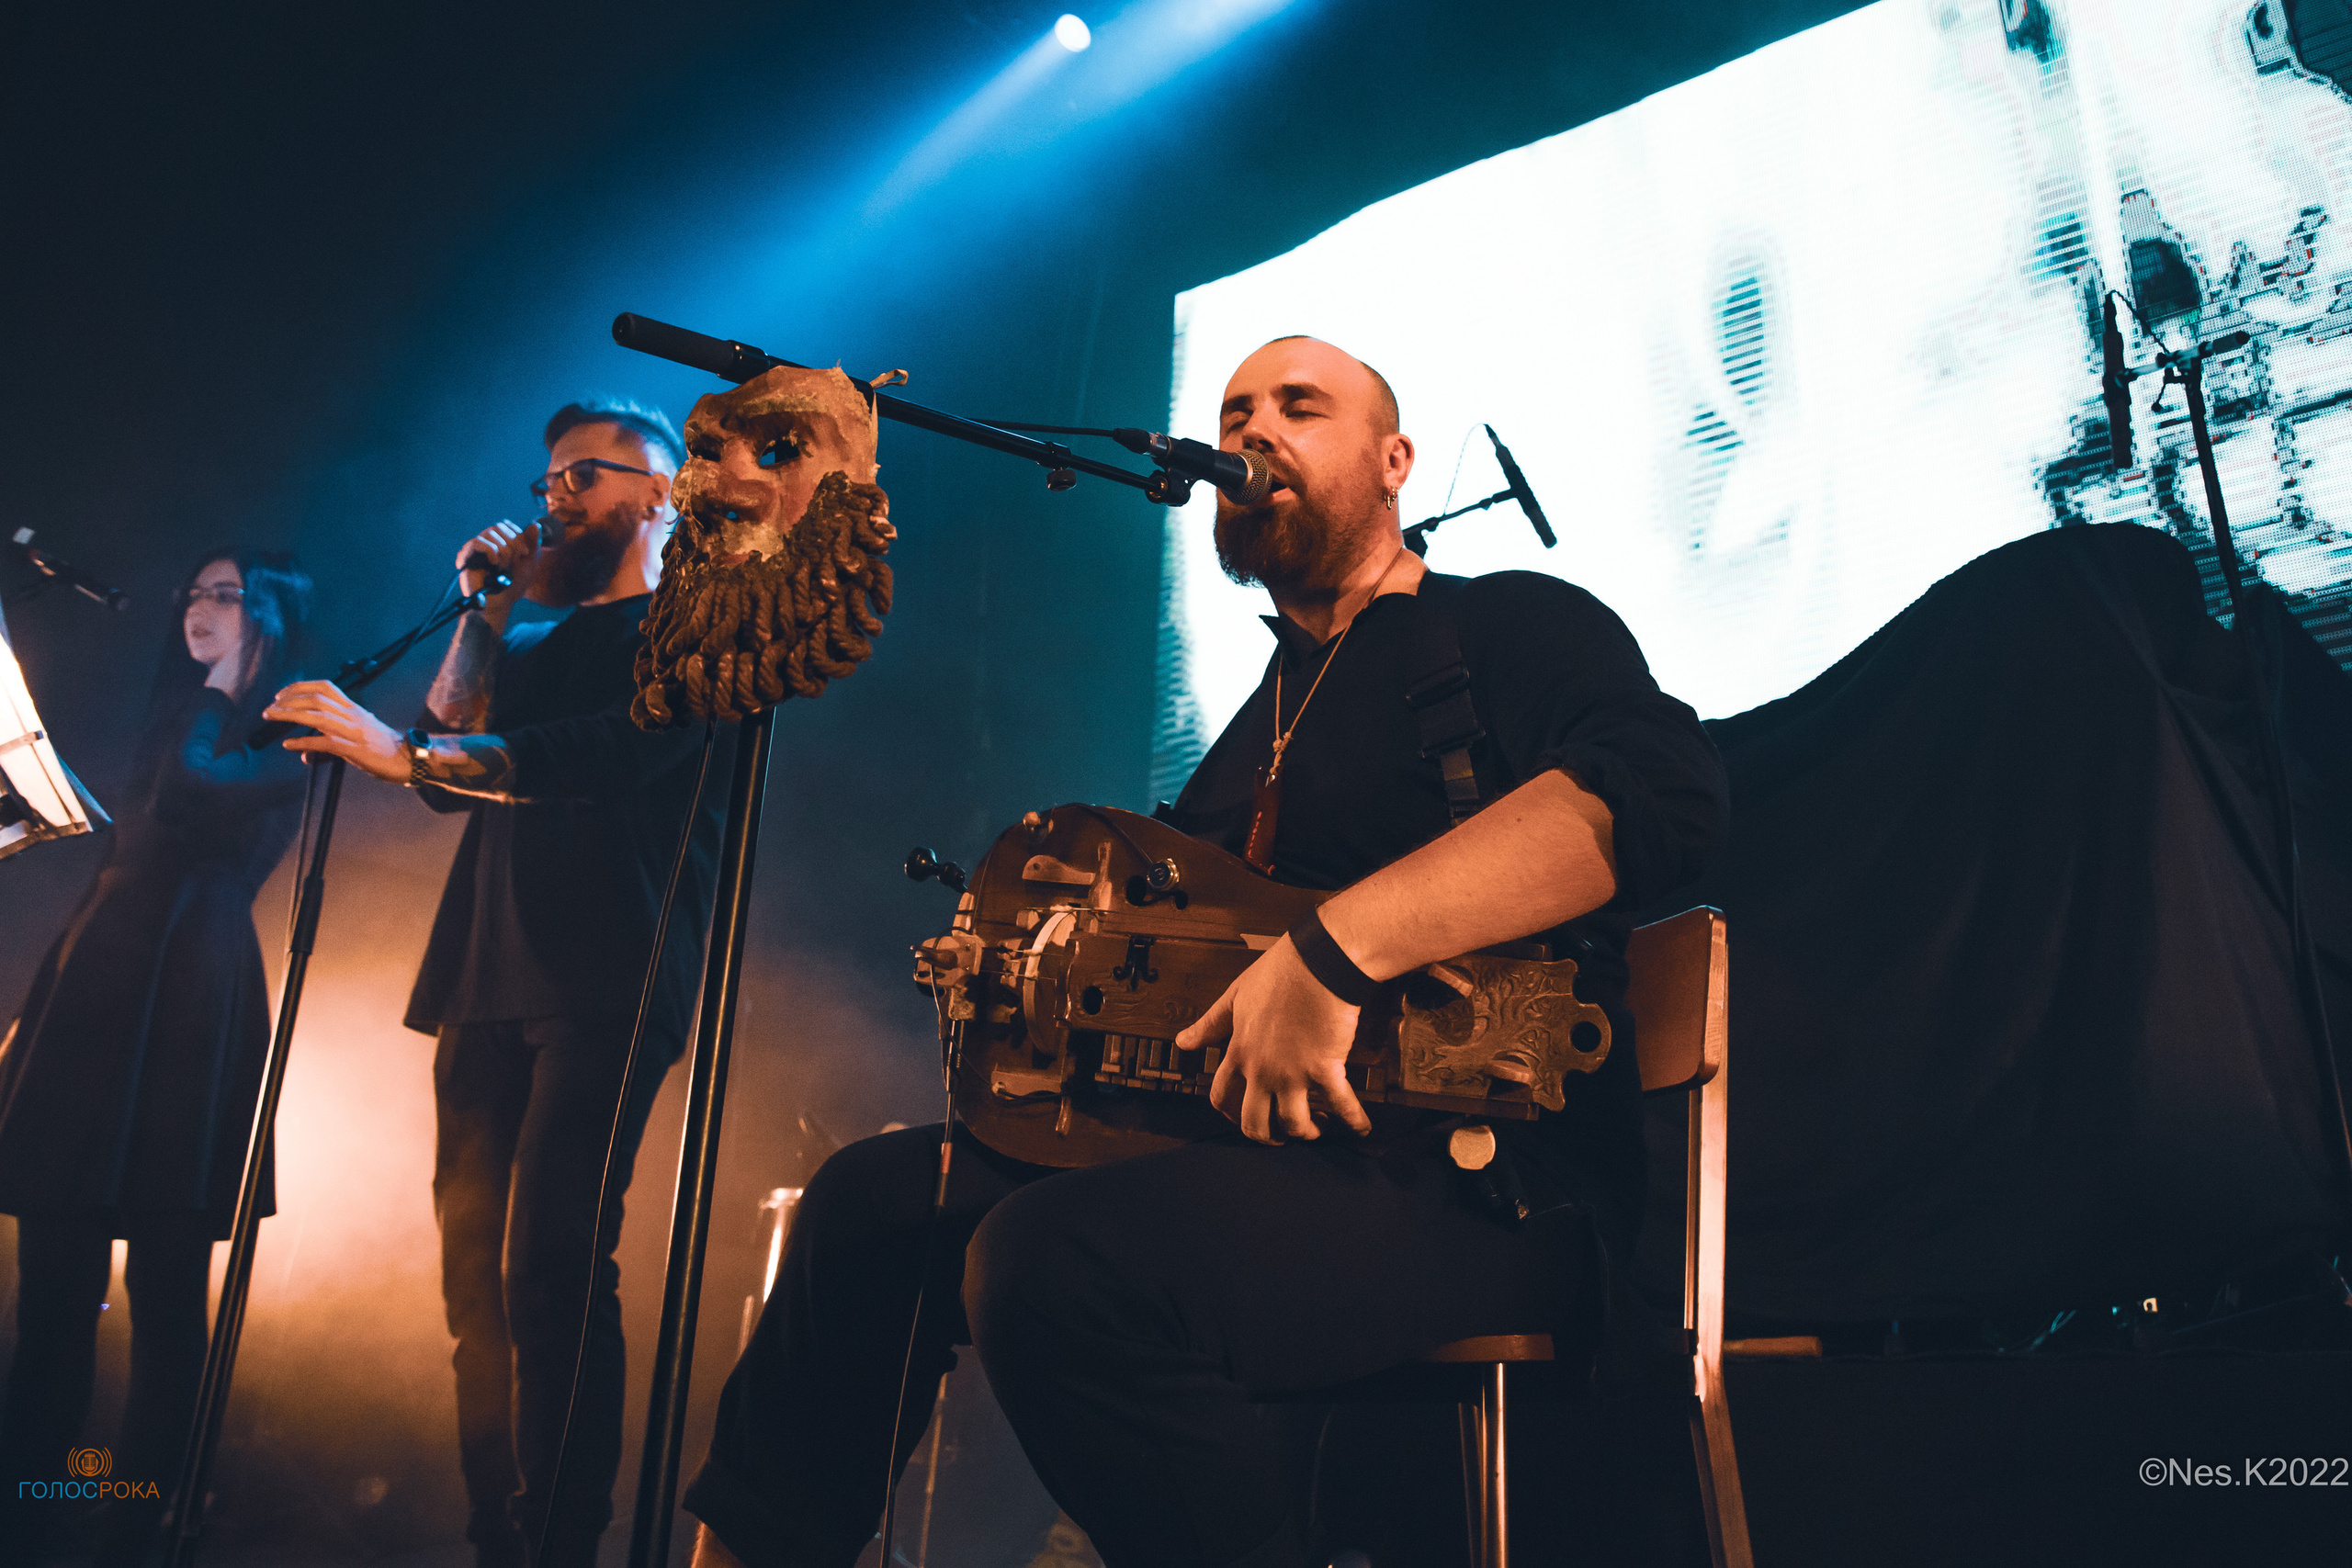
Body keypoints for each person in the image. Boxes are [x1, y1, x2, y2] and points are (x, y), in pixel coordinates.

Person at [680, 335, 1730, 1568]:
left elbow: (1664, 796)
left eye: (1300, 404)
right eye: (1236, 408)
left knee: (1053, 1261)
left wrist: (1333, 954)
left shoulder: (1501, 624)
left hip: (1491, 1180)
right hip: (1272, 1163)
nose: (1252, 428)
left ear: (1395, 461)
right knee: (874, 1200)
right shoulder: (1254, 728)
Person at [264, 399, 727, 1568]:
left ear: (661, 494)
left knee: (554, 1262)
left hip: (612, 968)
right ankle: (496, 1541)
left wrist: (411, 752)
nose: (552, 495)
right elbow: (444, 757)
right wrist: (481, 612)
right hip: (483, 966)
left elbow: (602, 757)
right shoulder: (527, 638)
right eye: (549, 477)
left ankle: (563, 1542)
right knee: (473, 1283)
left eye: (583, 475)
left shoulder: (700, 635)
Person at [0, 547, 314, 1560]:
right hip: (96, 987)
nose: (197, 609)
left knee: (167, 1290)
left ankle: (136, 1509)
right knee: (51, 1276)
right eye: (194, 593)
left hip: (190, 997)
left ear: (271, 617)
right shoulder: (174, 716)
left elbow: (193, 793)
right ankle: (31, 1496)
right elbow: (130, 838)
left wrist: (226, 688)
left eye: (225, 595)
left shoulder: (293, 734)